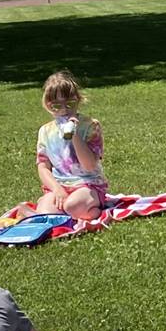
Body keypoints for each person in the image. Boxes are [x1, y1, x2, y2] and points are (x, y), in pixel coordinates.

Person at [33, 71, 108, 221]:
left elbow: (89, 165)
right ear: (48, 105)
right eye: (56, 106)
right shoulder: (45, 131)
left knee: (72, 207)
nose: (64, 110)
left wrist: (73, 134)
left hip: (88, 184)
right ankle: (52, 206)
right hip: (60, 185)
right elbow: (43, 166)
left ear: (78, 100)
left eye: (70, 104)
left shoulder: (90, 126)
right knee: (46, 215)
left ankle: (93, 209)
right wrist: (56, 189)